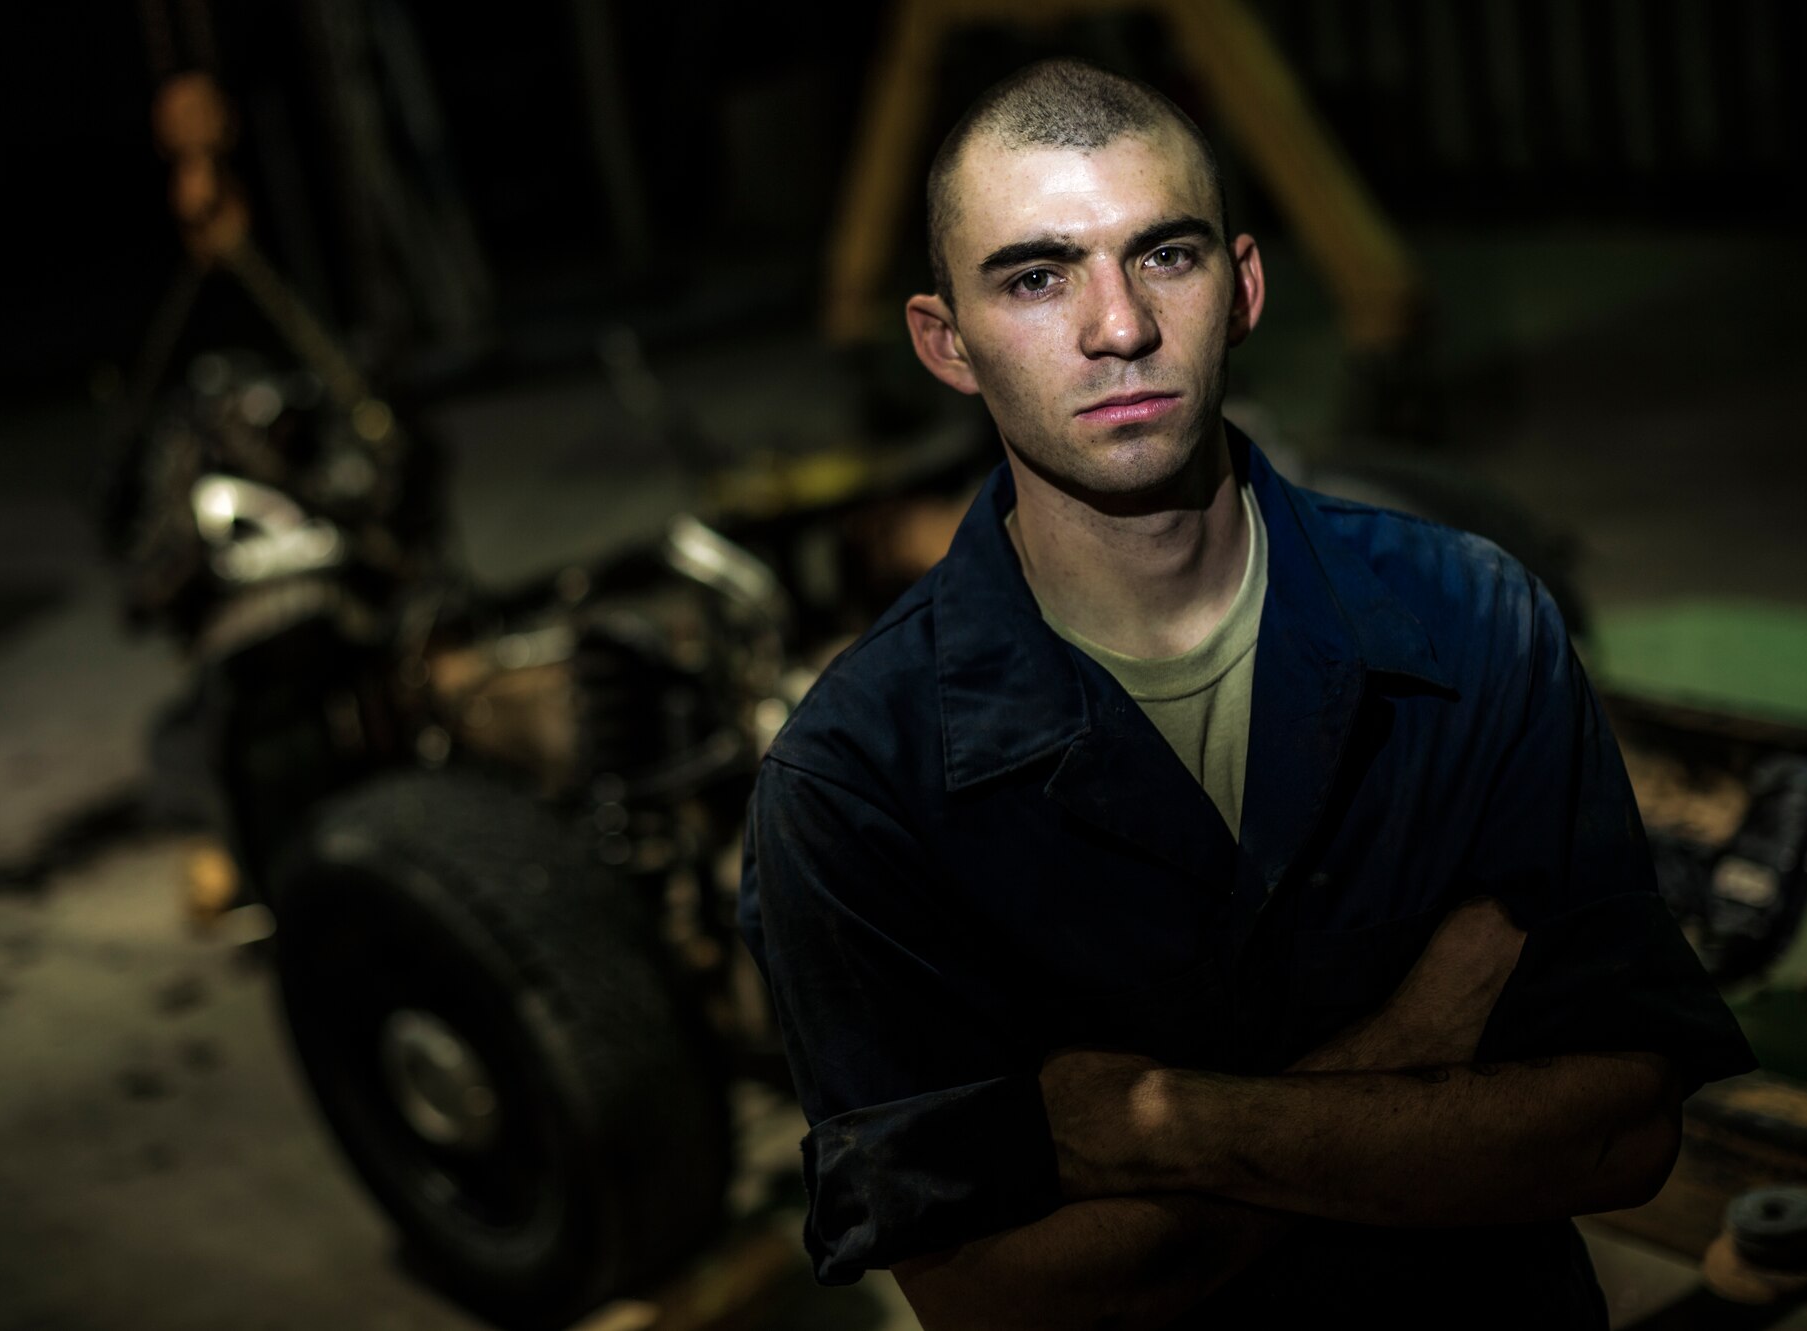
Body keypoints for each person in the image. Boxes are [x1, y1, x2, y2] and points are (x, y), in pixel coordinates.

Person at [738, 58, 1753, 1328]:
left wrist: (1157, 1121)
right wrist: (1408, 1053)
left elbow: (1614, 1137)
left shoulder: (1475, 621)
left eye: (1163, 256)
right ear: (945, 343)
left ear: (1246, 284)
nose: (1117, 327)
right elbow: (1001, 1296)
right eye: (1037, 276)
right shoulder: (852, 783)